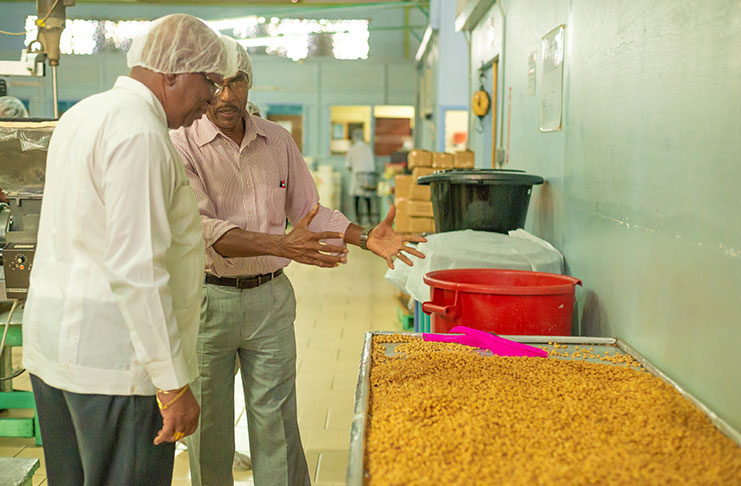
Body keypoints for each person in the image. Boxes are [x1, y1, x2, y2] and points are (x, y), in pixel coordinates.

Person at [170, 38, 426, 486]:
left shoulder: (277, 140)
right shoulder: (182, 144)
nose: (227, 96)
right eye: (218, 83)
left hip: (269, 299)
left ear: (250, 85)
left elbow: (310, 210)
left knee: (277, 421)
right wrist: (283, 245)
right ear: (204, 85)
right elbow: (203, 231)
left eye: (238, 82)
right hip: (208, 301)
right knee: (208, 427)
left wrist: (364, 236)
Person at [22, 14, 230, 485]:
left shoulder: (83, 114)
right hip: (117, 368)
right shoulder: (141, 133)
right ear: (174, 72)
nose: (212, 99)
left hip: (55, 356)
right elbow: (137, 268)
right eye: (209, 81)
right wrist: (172, 383)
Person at [345, 127, 377, 224]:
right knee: (367, 198)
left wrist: (355, 169)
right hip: (367, 176)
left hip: (356, 175)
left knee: (356, 197)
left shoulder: (352, 149)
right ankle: (369, 217)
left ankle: (357, 218)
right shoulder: (367, 149)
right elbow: (372, 166)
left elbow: (348, 165)